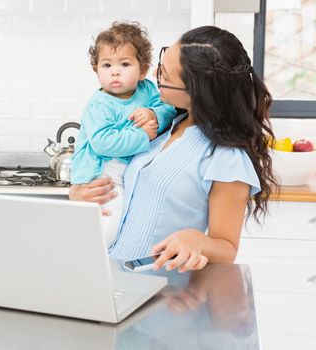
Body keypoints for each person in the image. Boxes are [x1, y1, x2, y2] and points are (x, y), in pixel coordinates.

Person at [70, 25, 276, 273]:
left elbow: (227, 249)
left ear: (197, 93)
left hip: (157, 289)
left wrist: (196, 240)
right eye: (161, 64)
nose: (155, 74)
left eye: (165, 77)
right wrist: (80, 196)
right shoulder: (161, 128)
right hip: (110, 275)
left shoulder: (226, 156)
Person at [71, 21, 177, 248]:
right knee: (106, 230)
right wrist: (142, 136)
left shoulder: (147, 90)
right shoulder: (99, 105)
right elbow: (102, 143)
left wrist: (154, 114)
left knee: (119, 225)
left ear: (143, 70)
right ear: (96, 70)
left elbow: (168, 108)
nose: (115, 71)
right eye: (106, 65)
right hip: (103, 174)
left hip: (126, 169)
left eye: (125, 64)